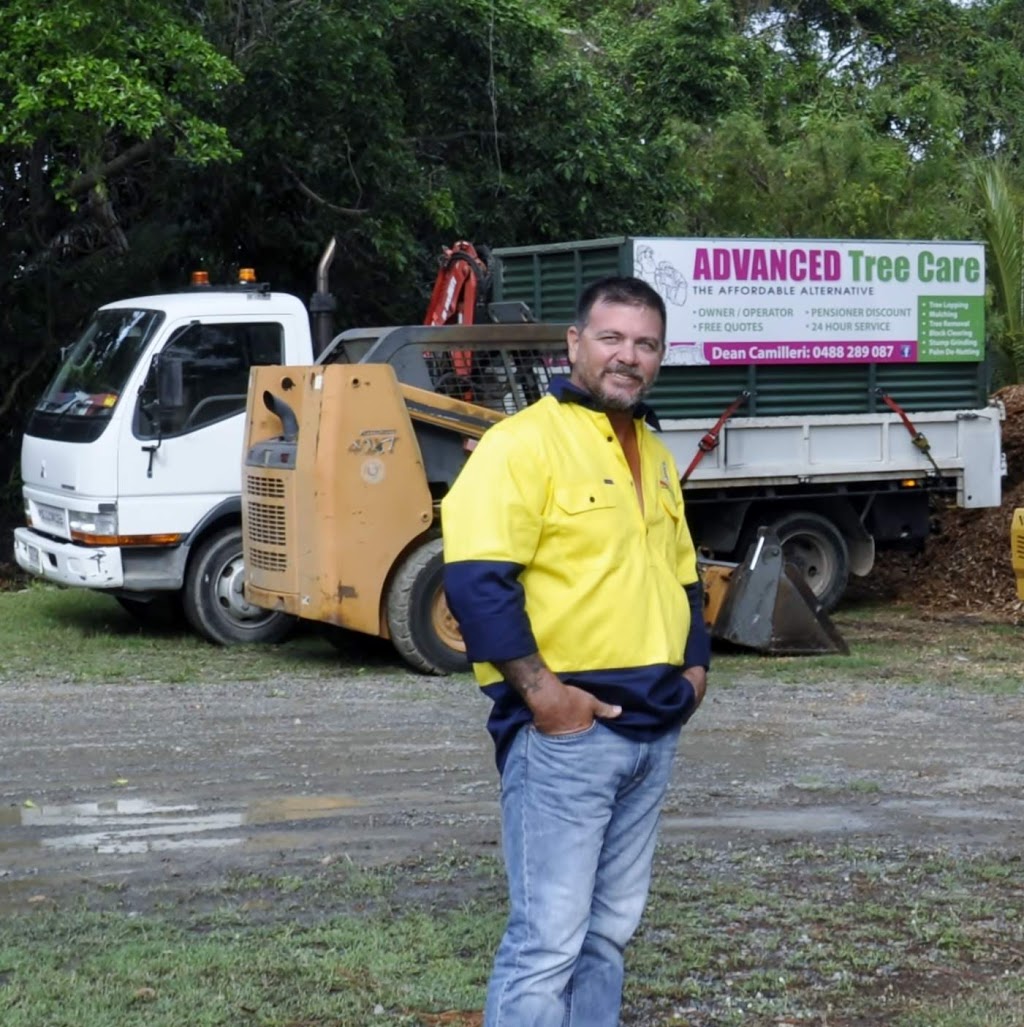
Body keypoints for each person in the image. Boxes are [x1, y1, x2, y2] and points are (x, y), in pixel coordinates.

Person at [441, 275, 710, 1027]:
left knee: (607, 935)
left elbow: (683, 576)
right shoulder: (520, 444)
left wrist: (695, 672)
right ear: (574, 344)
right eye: (611, 337)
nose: (629, 355)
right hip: (569, 738)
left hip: (654, 731)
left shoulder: (654, 452)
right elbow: (475, 581)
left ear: (660, 356)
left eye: (646, 343)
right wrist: (547, 699)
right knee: (548, 941)